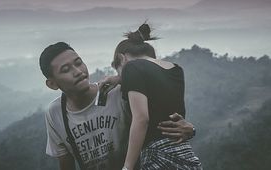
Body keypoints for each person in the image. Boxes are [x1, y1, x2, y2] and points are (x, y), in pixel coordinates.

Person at [39, 42, 196, 170]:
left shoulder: (119, 93)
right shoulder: (55, 113)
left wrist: (188, 129)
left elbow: (155, 119)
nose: (78, 71)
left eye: (79, 63)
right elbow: (66, 165)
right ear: (52, 84)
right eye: (66, 70)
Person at [112, 23, 202, 170]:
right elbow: (154, 88)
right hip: (186, 155)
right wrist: (119, 79)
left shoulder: (131, 67)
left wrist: (127, 167)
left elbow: (142, 119)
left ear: (122, 58)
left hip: (159, 157)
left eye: (118, 71)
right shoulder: (176, 70)